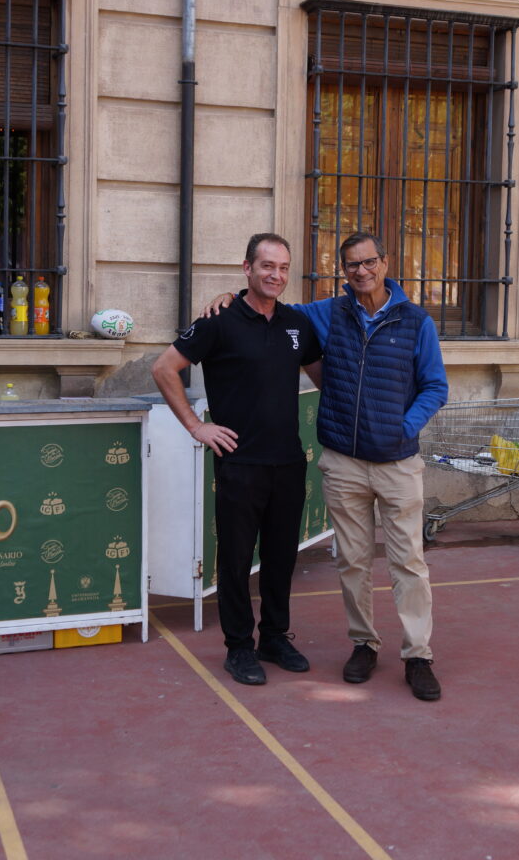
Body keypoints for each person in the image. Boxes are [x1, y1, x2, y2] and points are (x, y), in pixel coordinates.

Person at [204, 232, 449, 701]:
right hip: (343, 461)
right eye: (352, 265)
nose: (361, 271)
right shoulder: (323, 314)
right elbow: (267, 301)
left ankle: (418, 655)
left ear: (385, 262)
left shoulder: (416, 321)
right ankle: (363, 645)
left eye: (369, 262)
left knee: (409, 563)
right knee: (352, 561)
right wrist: (228, 298)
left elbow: (435, 387)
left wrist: (403, 426)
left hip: (397, 463)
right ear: (344, 271)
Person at [152, 233, 322, 686]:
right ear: (247, 268)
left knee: (282, 557)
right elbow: (164, 368)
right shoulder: (218, 319)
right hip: (240, 463)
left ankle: (274, 638)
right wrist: (196, 426)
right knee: (235, 560)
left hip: (288, 462)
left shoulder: (297, 324)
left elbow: (324, 376)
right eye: (267, 266)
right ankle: (239, 647)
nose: (277, 275)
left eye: (284, 267)